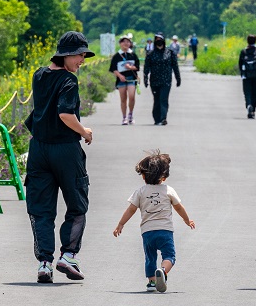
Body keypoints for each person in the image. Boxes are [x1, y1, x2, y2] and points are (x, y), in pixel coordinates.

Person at [24, 31, 94, 284]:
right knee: (77, 204)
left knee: (41, 209)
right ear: (65, 55)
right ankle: (68, 255)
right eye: (79, 55)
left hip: (39, 150)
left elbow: (41, 109)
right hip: (65, 149)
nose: (82, 60)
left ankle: (45, 262)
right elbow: (65, 114)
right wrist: (84, 132)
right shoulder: (69, 81)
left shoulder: (39, 75)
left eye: (83, 55)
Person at [113, 150, 195, 293]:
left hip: (147, 232)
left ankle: (151, 282)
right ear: (163, 177)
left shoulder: (140, 192)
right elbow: (178, 207)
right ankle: (163, 271)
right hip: (165, 231)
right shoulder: (168, 190)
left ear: (143, 176)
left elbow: (131, 209)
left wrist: (121, 224)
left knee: (150, 257)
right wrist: (187, 220)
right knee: (169, 256)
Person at [144, 33, 181, 126]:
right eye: (156, 39)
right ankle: (157, 119)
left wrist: (178, 78)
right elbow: (146, 67)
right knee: (157, 100)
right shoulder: (151, 54)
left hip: (166, 80)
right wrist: (145, 78)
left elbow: (175, 66)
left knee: (163, 99)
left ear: (164, 40)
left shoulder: (170, 53)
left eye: (160, 39)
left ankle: (163, 118)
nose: (158, 41)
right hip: (154, 81)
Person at [109, 35, 140, 125]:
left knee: (131, 96)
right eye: (123, 42)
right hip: (121, 79)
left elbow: (137, 67)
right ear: (120, 43)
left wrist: (130, 67)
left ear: (130, 43)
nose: (125, 44)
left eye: (127, 42)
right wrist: (119, 76)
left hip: (131, 78)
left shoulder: (133, 55)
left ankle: (130, 114)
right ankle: (124, 117)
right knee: (123, 99)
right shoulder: (116, 56)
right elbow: (113, 69)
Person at [238, 34, 256, 119]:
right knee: (254, 93)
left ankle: (248, 105)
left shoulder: (243, 52)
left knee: (247, 92)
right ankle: (252, 111)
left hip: (246, 76)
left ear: (247, 41)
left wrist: (242, 73)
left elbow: (240, 64)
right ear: (255, 41)